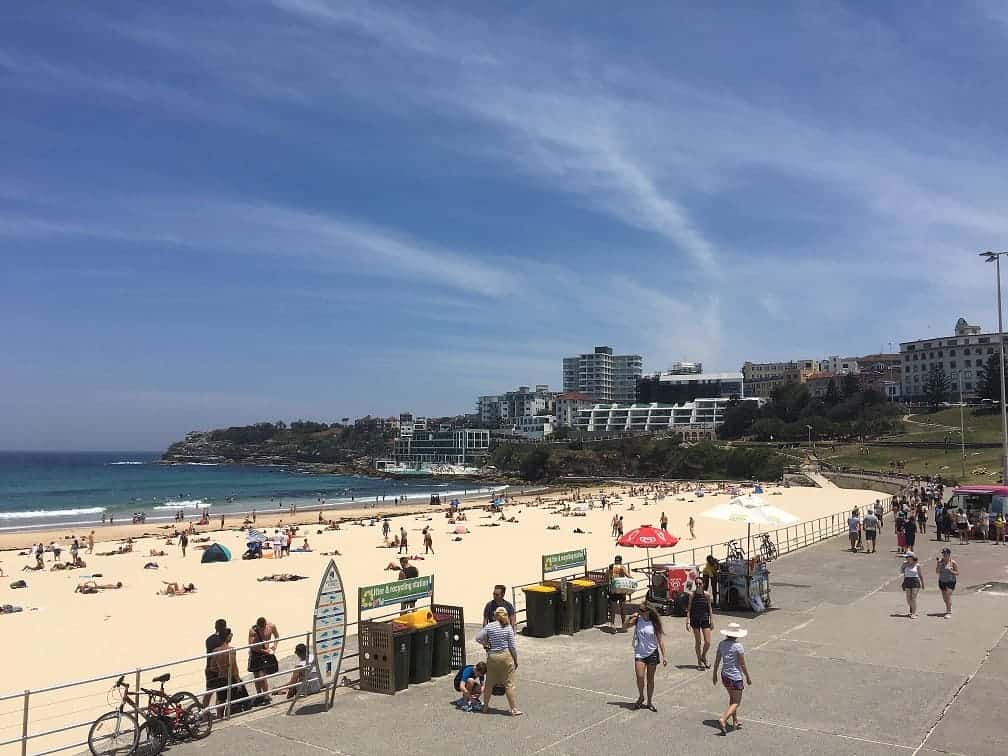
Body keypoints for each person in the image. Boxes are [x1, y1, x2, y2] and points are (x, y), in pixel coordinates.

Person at [476, 606, 521, 716]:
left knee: (489, 683)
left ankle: (485, 707)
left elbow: (478, 638)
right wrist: (515, 660)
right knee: (508, 684)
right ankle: (513, 709)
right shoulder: (508, 627)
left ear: (495, 615)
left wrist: (486, 645)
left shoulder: (490, 626)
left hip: (492, 656)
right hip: (505, 656)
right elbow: (512, 647)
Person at [624, 603, 666, 711]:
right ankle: (641, 696)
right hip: (639, 653)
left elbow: (660, 640)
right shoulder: (637, 620)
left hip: (652, 653)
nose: (640, 612)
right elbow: (624, 626)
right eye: (639, 610)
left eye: (642, 611)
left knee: (650, 679)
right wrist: (629, 617)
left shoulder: (654, 623)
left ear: (648, 611)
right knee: (640, 676)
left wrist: (664, 656)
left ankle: (650, 701)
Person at [712, 622, 752, 735]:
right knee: (736, 702)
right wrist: (748, 676)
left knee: (732, 698)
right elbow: (742, 664)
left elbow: (717, 660)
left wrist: (714, 674)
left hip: (725, 675)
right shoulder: (738, 646)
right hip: (735, 677)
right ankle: (723, 719)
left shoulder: (721, 644)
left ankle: (735, 721)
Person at [248, 617, 280, 703]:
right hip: (255, 653)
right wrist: (264, 650)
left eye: (262, 627)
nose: (261, 628)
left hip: (265, 652)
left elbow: (277, 636)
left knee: (262, 675)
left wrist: (275, 646)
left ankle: (266, 695)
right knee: (256, 676)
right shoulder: (253, 631)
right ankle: (259, 695)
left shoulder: (271, 626)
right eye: (260, 627)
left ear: (265, 624)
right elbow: (252, 646)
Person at [686, 584, 714, 669]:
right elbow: (689, 608)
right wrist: (687, 621)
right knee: (698, 642)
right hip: (695, 619)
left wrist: (711, 620)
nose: (698, 585)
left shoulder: (707, 595)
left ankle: (703, 656)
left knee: (708, 642)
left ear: (703, 585)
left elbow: (709, 608)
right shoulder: (692, 595)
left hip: (705, 618)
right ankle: (699, 662)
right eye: (697, 583)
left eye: (700, 583)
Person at [203, 618, 227, 710]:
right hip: (220, 669)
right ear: (224, 627)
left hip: (209, 668)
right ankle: (219, 714)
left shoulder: (209, 639)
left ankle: (203, 713)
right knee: (221, 694)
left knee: (209, 692)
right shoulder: (223, 639)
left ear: (215, 627)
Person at [609, 555, 631, 629]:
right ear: (621, 561)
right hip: (620, 590)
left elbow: (607, 577)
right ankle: (623, 624)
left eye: (617, 561)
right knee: (622, 608)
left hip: (614, 590)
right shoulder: (622, 567)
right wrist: (632, 580)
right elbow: (628, 575)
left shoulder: (612, 567)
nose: (617, 562)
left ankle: (613, 624)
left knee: (614, 608)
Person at [936, 547, 959, 618]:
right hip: (942, 581)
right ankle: (949, 606)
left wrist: (951, 571)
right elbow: (937, 572)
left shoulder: (953, 562)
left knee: (948, 595)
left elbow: (957, 573)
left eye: (946, 553)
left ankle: (948, 611)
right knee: (945, 598)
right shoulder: (940, 561)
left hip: (951, 581)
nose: (944, 555)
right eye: (943, 554)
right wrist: (939, 565)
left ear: (949, 554)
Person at [900, 552, 924, 619]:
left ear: (911, 557)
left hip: (915, 581)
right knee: (908, 598)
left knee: (913, 597)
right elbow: (902, 572)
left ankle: (913, 613)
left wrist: (923, 583)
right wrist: (903, 566)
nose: (906, 558)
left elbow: (920, 575)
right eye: (906, 557)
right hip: (907, 581)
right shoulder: (905, 564)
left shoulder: (917, 565)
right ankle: (912, 607)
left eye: (907, 557)